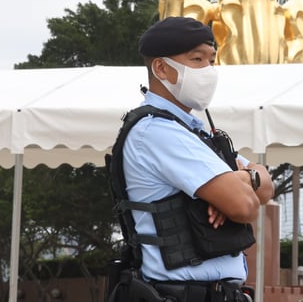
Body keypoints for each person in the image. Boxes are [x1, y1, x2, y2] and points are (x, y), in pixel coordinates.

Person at [107, 16, 274, 302]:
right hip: (180, 294)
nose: (208, 70)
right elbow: (246, 205)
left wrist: (240, 179)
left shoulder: (193, 131)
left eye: (211, 60)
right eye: (197, 60)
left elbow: (267, 187)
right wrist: (235, 190)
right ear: (161, 67)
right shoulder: (158, 131)